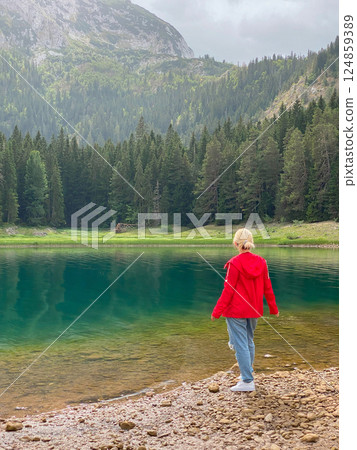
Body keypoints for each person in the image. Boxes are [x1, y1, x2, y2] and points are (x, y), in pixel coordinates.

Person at [211, 228, 279, 392]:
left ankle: (247, 381)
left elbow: (228, 291)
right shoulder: (262, 262)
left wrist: (216, 312)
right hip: (254, 310)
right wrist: (273, 308)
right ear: (251, 242)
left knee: (240, 343)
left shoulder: (234, 263)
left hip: (236, 311)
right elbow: (267, 287)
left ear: (235, 244)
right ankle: (246, 375)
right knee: (248, 341)